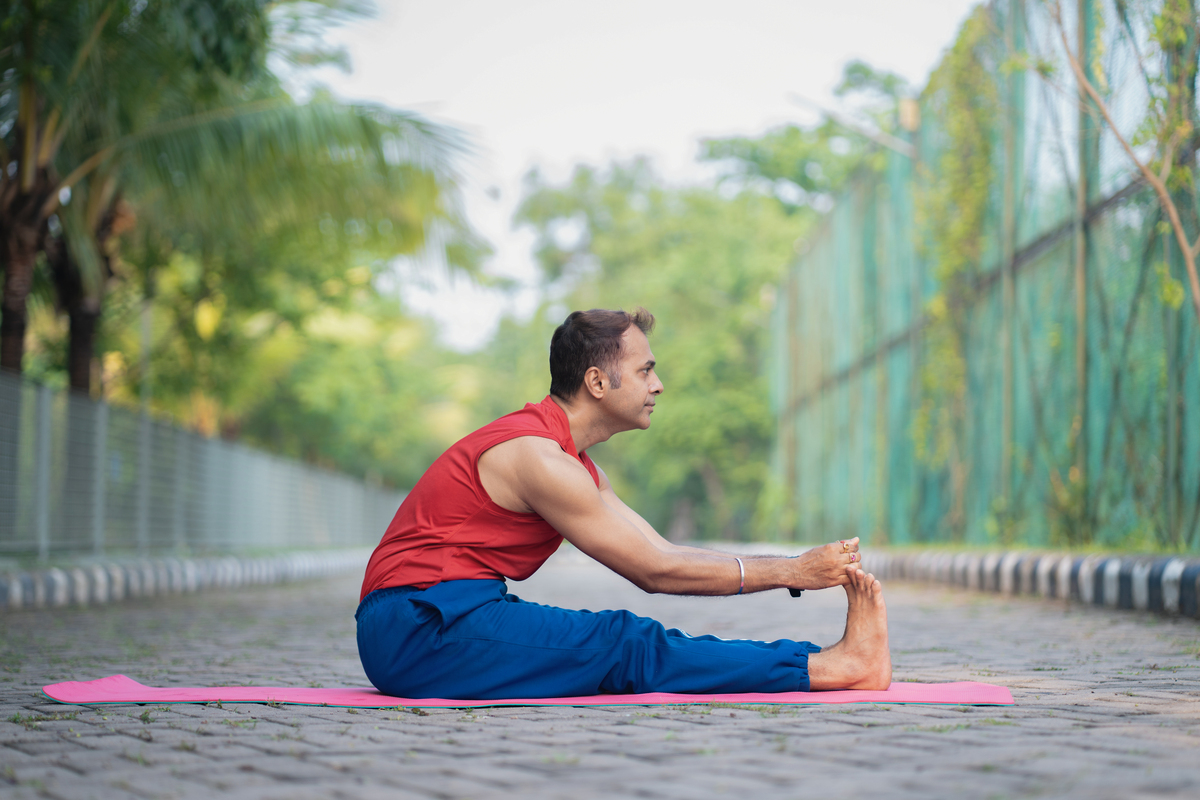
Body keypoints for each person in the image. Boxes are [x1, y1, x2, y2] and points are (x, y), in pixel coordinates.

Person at [356, 308, 891, 699]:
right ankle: (834, 668)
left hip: (447, 614)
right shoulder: (540, 459)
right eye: (645, 371)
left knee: (624, 641)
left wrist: (789, 566)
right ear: (596, 381)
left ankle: (829, 663)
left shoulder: (577, 462)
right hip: (416, 628)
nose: (658, 385)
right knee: (625, 644)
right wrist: (791, 569)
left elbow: (661, 549)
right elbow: (654, 572)